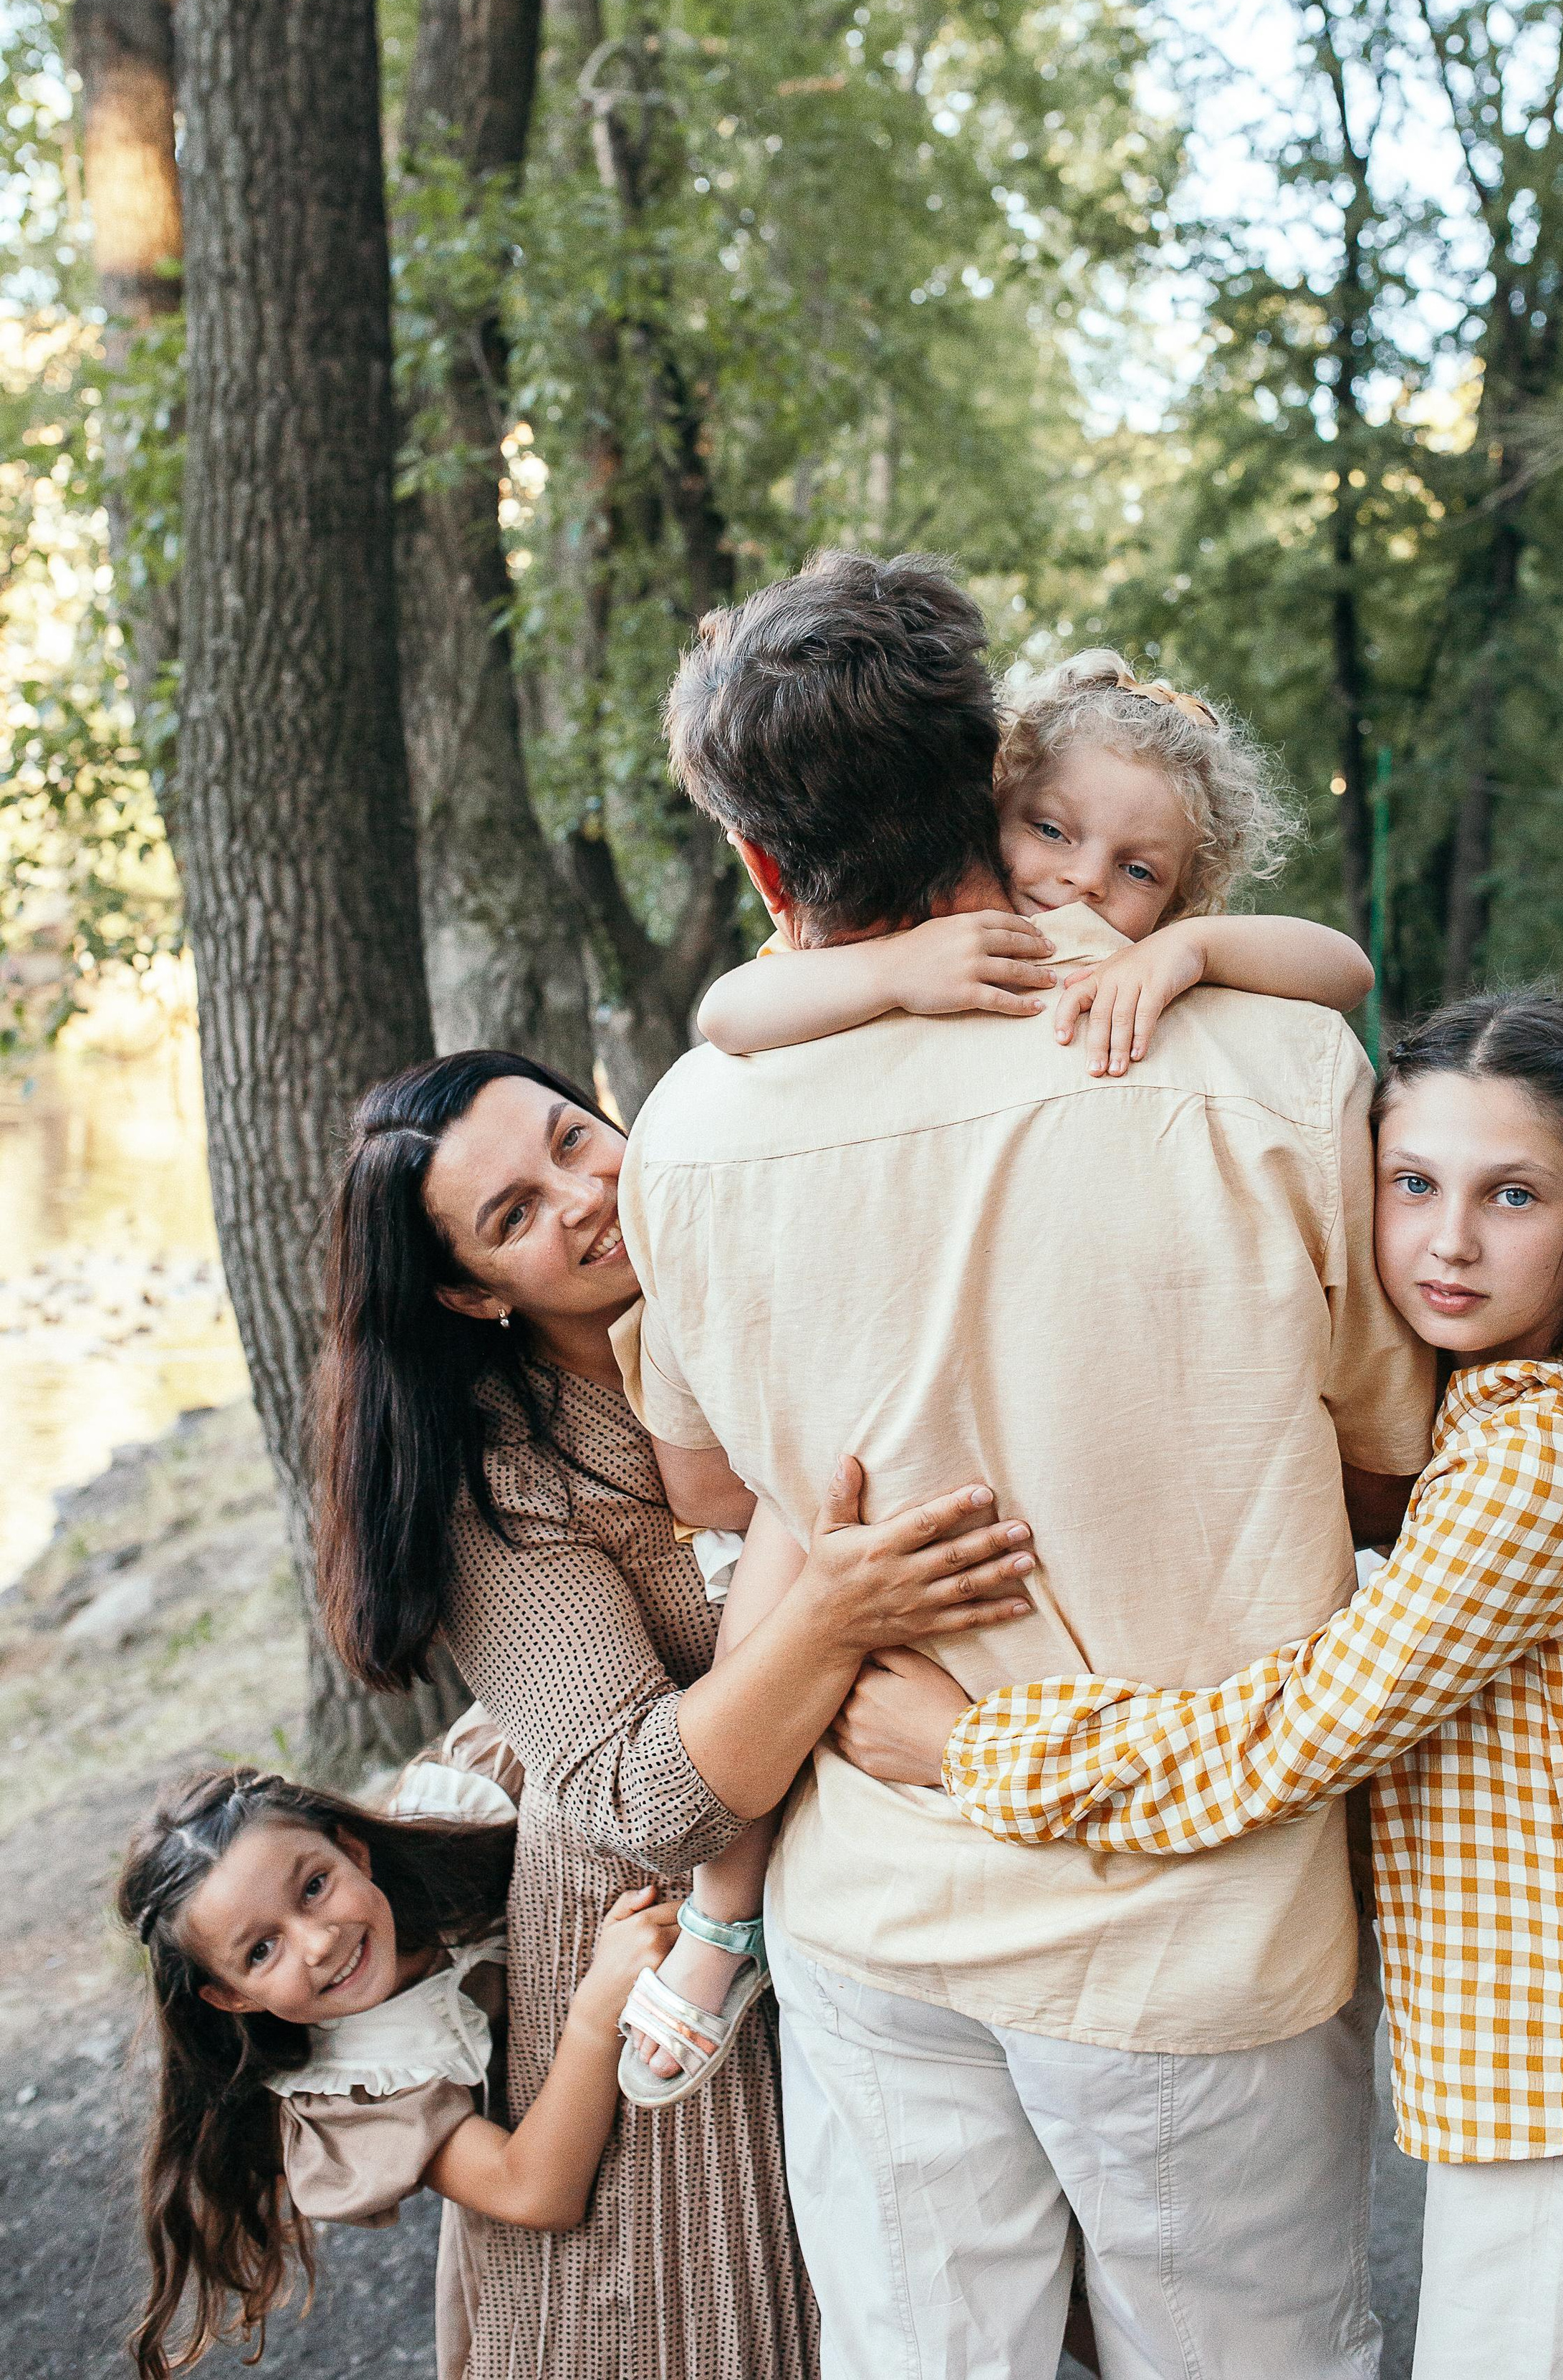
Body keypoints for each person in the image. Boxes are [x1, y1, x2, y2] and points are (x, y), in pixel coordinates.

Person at [615, 549, 1437, 2379]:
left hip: (875, 1915)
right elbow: (1396, 1462)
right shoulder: (1273, 1062)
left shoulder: (686, 1126)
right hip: (1193, 1931)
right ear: (988, 772)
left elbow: (703, 1484)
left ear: (762, 865)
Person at [842, 989, 1563, 2380]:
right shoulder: (1554, 1406)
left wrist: (971, 1745)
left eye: (1511, 1193)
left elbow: (1294, 1732)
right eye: (1411, 1181)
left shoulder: (1547, 1455)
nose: (1447, 1237)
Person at [313, 1049, 1037, 2380]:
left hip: (908, 1870)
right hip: (655, 1946)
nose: (586, 1196)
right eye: (515, 1213)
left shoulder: (772, 1263)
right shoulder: (501, 1467)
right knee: (728, 2323)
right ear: (475, 1292)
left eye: (575, 1140)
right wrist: (832, 1610)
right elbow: (643, 1793)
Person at [116, 1709, 678, 2380]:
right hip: (564, 2281)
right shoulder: (352, 2085)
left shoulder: (458, 1810)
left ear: (353, 1850)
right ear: (232, 1995)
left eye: (314, 1886)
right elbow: (534, 2191)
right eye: (263, 1950)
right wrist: (592, 2012)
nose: (319, 1941)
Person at [696, 646, 1373, 1073]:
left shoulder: (1146, 957)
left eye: (1140, 871)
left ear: (1178, 901)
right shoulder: (907, 934)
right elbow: (727, 1013)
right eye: (1052, 829)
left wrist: (1195, 948)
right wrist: (894, 968)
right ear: (996, 803)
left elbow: (1348, 972)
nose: (1086, 878)